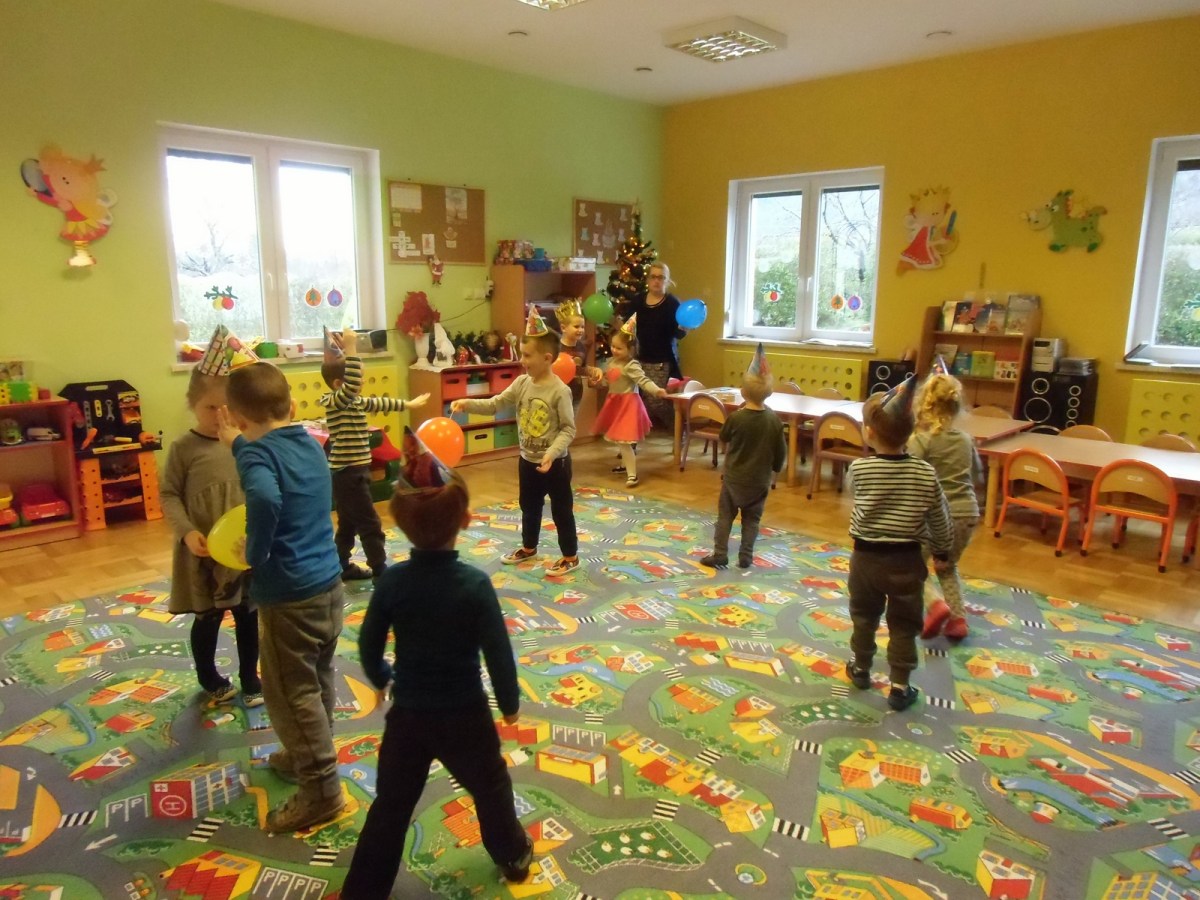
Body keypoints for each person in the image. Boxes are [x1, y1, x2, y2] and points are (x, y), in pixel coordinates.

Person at [340, 472, 533, 898]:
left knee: (391, 804)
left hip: (408, 716)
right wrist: (509, 704)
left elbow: (368, 643)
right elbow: (498, 652)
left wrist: (382, 676)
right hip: (465, 714)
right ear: (465, 519)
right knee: (491, 785)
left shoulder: (392, 581)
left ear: (397, 521)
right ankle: (512, 854)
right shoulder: (475, 584)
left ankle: (363, 890)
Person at [216, 362, 346, 834]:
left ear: (236, 417)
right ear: (291, 406)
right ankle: (305, 753)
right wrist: (238, 442)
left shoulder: (255, 457)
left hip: (289, 595)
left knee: (292, 694)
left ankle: (322, 790)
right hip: (328, 584)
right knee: (317, 678)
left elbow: (266, 498)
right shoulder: (309, 441)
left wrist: (254, 553)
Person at [844, 383, 953, 712]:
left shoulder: (858, 469)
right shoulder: (924, 472)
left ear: (869, 433)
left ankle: (861, 668)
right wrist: (942, 552)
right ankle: (900, 686)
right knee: (905, 624)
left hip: (865, 559)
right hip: (906, 561)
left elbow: (856, 501)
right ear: (912, 431)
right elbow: (940, 517)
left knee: (864, 616)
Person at [450, 308, 579, 577]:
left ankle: (570, 556)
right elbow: (495, 404)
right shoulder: (521, 383)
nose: (522, 360)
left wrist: (552, 453)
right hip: (527, 460)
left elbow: (568, 429)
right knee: (528, 507)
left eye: (527, 355)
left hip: (555, 464)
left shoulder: (560, 391)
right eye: (522, 354)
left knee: (561, 511)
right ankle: (529, 547)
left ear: (547, 358)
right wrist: (467, 403)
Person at [160, 369, 262, 707]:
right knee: (208, 617)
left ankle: (250, 677)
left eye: (227, 407)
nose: (219, 415)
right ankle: (209, 677)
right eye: (210, 407)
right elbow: (169, 495)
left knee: (249, 614)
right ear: (192, 405)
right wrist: (187, 532)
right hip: (203, 551)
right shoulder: (184, 448)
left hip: (242, 549)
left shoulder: (245, 443)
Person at [320, 325, 429, 581]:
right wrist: (352, 348)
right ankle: (381, 570)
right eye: (358, 379)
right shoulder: (335, 402)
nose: (362, 383)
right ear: (339, 384)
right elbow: (352, 385)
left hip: (355, 472)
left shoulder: (355, 401)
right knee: (370, 523)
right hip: (348, 475)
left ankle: (341, 565)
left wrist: (408, 404)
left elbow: (380, 402)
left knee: (348, 524)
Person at [909, 372, 984, 641]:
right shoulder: (965, 440)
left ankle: (934, 604)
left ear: (924, 404)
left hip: (935, 517)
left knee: (910, 566)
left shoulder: (921, 440)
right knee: (946, 565)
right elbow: (977, 475)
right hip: (967, 514)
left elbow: (906, 471)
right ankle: (957, 619)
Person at [700, 345, 785, 569]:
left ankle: (720, 553)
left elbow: (723, 436)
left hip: (734, 479)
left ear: (743, 392)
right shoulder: (774, 421)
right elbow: (780, 452)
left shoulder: (737, 418)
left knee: (725, 517)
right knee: (751, 520)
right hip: (759, 481)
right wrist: (776, 468)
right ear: (769, 392)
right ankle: (746, 556)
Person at [591, 314, 667, 488]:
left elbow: (643, 381)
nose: (614, 350)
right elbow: (608, 381)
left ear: (631, 350)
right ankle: (624, 466)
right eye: (613, 346)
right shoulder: (611, 363)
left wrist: (657, 390)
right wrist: (598, 383)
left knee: (624, 441)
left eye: (619, 348)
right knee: (620, 439)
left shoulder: (631, 365)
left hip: (628, 405)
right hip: (615, 404)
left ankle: (632, 475)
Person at [629, 261, 687, 429]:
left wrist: (685, 328)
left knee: (656, 401)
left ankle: (678, 427)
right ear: (648, 279)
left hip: (661, 360)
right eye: (653, 277)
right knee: (638, 399)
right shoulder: (638, 301)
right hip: (639, 357)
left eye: (661, 277)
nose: (656, 281)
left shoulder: (672, 303)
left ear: (667, 281)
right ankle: (636, 436)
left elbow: (678, 334)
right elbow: (628, 325)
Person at [555, 298, 602, 413]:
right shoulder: (555, 348)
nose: (580, 330)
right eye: (576, 326)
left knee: (570, 423)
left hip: (576, 395)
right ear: (563, 328)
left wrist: (592, 374)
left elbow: (581, 369)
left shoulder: (582, 347)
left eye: (582, 327)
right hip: (556, 395)